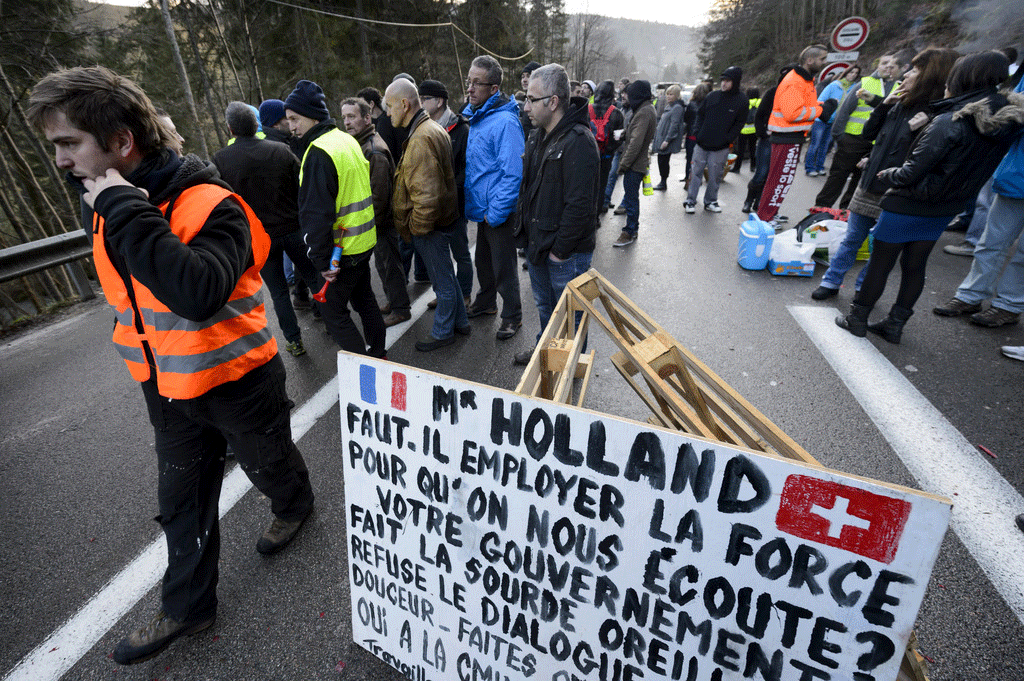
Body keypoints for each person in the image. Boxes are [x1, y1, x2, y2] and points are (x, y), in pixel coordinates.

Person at [29, 65, 315, 664]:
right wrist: (113, 201)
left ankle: (294, 504)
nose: (61, 161)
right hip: (166, 388)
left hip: (239, 381)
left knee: (269, 464)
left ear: (122, 143)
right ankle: (189, 608)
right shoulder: (105, 204)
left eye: (68, 144)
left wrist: (125, 208)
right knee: (182, 501)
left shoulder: (211, 203)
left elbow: (197, 290)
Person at [836, 51, 1024, 343]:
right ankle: (895, 325)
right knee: (915, 265)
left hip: (908, 202)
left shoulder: (950, 120)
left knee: (880, 262)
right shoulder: (1006, 121)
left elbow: (910, 173)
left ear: (965, 76)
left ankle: (857, 318)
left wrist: (888, 174)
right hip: (946, 207)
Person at [811, 48, 959, 302]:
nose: (906, 74)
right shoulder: (899, 99)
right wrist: (883, 107)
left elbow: (922, 157)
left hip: (895, 190)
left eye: (914, 70)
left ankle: (862, 288)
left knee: (878, 247)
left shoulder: (936, 114)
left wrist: (923, 129)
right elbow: (870, 134)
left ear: (929, 76)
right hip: (870, 182)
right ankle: (831, 281)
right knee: (852, 239)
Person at [285, 79, 386, 357]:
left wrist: (320, 260)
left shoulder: (318, 152)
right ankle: (379, 355)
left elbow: (316, 215)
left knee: (333, 314)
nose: (291, 127)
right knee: (366, 303)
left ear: (312, 116)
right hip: (362, 243)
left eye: (295, 118)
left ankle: (366, 370)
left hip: (341, 252)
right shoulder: (344, 139)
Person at [212, 101, 321, 356]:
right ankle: (332, 321)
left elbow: (222, 202)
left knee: (280, 292)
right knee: (313, 277)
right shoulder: (281, 150)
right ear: (256, 125)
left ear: (230, 129)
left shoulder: (220, 160)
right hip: (293, 229)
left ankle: (294, 341)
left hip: (261, 238)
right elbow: (302, 189)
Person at [514, 63, 599, 364]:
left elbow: (581, 207)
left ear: (552, 102)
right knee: (546, 310)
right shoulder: (538, 136)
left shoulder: (579, 141)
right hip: (538, 245)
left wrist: (560, 253)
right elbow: (529, 189)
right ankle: (546, 353)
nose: (525, 107)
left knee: (572, 318)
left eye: (531, 99)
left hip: (565, 253)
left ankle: (570, 366)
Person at [933, 68, 1024, 328]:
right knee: (990, 242)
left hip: (1015, 174)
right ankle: (970, 296)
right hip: (1016, 176)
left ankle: (1009, 305)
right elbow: (1008, 124)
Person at [384, 79, 469, 351]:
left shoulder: (421, 137)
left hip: (429, 227)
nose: (387, 112)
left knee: (442, 283)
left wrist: (417, 230)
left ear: (404, 104)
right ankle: (461, 323)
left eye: (389, 106)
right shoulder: (431, 127)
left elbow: (427, 196)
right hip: (440, 221)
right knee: (447, 277)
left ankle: (443, 331)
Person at [462, 54, 525, 340]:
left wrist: (496, 212)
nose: (470, 89)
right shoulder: (479, 116)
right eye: (469, 82)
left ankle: (512, 316)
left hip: (496, 210)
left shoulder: (505, 122)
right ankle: (486, 303)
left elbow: (512, 172)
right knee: (483, 263)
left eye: (477, 83)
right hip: (482, 208)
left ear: (494, 89)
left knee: (504, 267)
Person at [340, 97, 411, 327]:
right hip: (373, 222)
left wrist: (371, 225)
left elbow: (379, 197)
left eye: (352, 116)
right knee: (383, 264)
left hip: (381, 222)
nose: (347, 122)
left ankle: (401, 309)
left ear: (367, 117)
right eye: (344, 118)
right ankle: (393, 301)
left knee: (390, 265)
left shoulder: (373, 150)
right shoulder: (360, 143)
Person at [757, 45, 837, 224]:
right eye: (822, 59)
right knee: (779, 180)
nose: (825, 63)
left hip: (791, 137)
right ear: (810, 60)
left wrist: (822, 106)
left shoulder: (805, 81)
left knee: (782, 180)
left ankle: (770, 212)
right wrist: (820, 110)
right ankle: (765, 217)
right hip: (787, 138)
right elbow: (792, 113)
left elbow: (803, 105)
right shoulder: (795, 81)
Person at [815, 56, 897, 208]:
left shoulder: (898, 87)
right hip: (852, 140)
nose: (888, 67)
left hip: (876, 145)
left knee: (858, 183)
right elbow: (844, 110)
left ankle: (845, 213)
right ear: (877, 65)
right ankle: (820, 210)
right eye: (884, 63)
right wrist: (839, 136)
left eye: (892, 65)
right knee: (837, 178)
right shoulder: (865, 83)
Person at [420, 79, 473, 308]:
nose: (420, 103)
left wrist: (448, 191)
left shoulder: (461, 129)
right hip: (432, 204)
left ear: (439, 101)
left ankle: (465, 294)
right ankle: (445, 293)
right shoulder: (424, 126)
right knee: (439, 256)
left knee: (461, 253)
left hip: (455, 203)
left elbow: (466, 169)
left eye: (425, 99)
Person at [684, 67, 749, 213]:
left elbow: (740, 124)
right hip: (702, 143)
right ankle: (690, 201)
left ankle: (711, 201)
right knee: (695, 173)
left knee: (715, 176)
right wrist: (697, 133)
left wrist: (728, 138)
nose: (724, 84)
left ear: (735, 82)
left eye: (728, 81)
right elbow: (700, 115)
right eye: (723, 80)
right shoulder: (712, 96)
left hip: (721, 146)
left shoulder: (742, 101)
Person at [612, 79, 656, 247]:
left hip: (635, 165)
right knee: (631, 198)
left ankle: (629, 231)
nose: (626, 97)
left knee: (631, 199)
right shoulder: (644, 109)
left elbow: (636, 143)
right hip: (637, 162)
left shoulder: (644, 112)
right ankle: (632, 229)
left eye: (629, 94)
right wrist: (624, 133)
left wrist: (622, 165)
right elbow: (636, 133)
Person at [741, 69, 788, 213]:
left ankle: (760, 202)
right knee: (761, 173)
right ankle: (749, 200)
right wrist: (762, 134)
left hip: (785, 140)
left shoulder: (795, 95)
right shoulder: (772, 93)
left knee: (773, 176)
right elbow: (760, 115)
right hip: (768, 139)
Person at [805, 65, 861, 176]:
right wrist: (830, 105)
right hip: (821, 120)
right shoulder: (834, 85)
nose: (853, 75)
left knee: (825, 145)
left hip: (835, 121)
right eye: (851, 72)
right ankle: (810, 168)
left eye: (856, 73)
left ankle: (819, 167)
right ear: (846, 73)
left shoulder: (855, 88)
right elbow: (820, 100)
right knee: (815, 144)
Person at [590, 80, 624, 215]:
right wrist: (609, 149)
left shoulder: (588, 109)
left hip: (588, 155)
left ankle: (586, 216)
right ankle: (596, 216)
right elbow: (619, 138)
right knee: (601, 186)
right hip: (606, 156)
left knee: (587, 186)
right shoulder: (616, 113)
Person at [651, 84, 684, 191]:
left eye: (671, 94)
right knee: (661, 161)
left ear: (677, 95)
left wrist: (667, 140)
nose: (669, 96)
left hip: (666, 139)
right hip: (661, 137)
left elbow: (674, 125)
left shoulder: (677, 107)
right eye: (668, 94)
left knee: (663, 161)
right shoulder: (669, 106)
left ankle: (663, 182)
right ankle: (662, 182)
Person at [682, 82, 710, 186]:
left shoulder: (691, 105)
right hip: (703, 136)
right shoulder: (708, 105)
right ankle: (698, 178)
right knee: (701, 159)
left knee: (689, 159)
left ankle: (688, 179)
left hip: (691, 135)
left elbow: (686, 119)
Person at [733, 87, 761, 174]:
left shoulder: (744, 102)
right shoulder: (759, 102)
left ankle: (737, 168)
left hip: (743, 130)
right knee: (753, 149)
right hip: (754, 130)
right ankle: (753, 166)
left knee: (740, 150)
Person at [519, 61, 543, 139]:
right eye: (523, 77)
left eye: (528, 76)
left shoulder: (541, 101)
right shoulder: (525, 102)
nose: (524, 80)